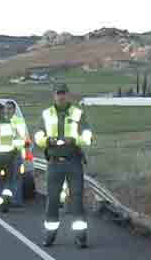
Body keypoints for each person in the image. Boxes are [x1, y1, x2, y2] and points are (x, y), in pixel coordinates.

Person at [34, 84, 93, 247]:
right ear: (54, 95)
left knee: (76, 200)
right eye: (58, 94)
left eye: (63, 93)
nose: (61, 96)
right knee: (52, 200)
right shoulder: (46, 114)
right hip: (54, 163)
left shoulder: (78, 113)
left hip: (73, 161)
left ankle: (81, 237)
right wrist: (47, 141)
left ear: (68, 94)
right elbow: (38, 136)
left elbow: (87, 136)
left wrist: (74, 140)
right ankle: (50, 236)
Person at [6, 102, 28, 206]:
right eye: (6, 108)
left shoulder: (18, 121)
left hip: (15, 152)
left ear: (14, 110)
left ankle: (16, 200)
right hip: (4, 153)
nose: (7, 110)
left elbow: (23, 136)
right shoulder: (3, 121)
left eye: (10, 108)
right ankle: (7, 199)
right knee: (6, 177)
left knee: (16, 177)